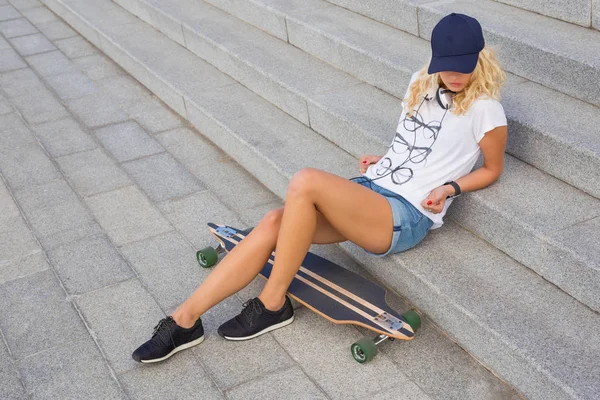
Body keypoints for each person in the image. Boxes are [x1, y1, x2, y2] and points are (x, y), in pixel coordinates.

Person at [131, 12, 508, 363]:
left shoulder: (486, 109)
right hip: (372, 188)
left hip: (405, 214)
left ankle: (273, 301)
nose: (454, 75)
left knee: (305, 181)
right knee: (275, 221)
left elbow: (491, 169)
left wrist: (450, 188)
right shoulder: (420, 80)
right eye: (447, 66)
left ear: (479, 58)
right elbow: (417, 143)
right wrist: (388, 159)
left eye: (463, 66)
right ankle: (184, 319)